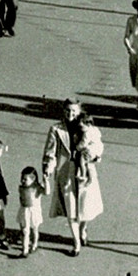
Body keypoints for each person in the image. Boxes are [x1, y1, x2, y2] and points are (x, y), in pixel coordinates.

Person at [43, 100, 104, 256]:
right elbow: (50, 152)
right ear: (64, 111)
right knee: (71, 211)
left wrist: (93, 155)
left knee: (85, 208)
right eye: (68, 111)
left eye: (74, 111)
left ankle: (83, 229)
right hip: (66, 172)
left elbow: (98, 145)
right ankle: (76, 244)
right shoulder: (56, 129)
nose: (71, 114)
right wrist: (48, 169)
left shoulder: (86, 125)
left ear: (79, 111)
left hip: (85, 171)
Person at [15, 166, 46, 258]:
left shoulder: (37, 188)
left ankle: (34, 244)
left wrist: (46, 181)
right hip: (24, 211)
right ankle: (25, 250)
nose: (22, 181)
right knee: (25, 230)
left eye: (25, 179)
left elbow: (46, 192)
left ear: (33, 179)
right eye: (22, 179)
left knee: (34, 230)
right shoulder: (21, 187)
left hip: (34, 211)